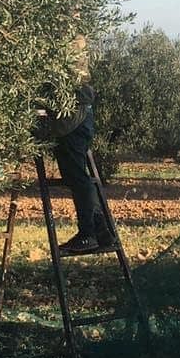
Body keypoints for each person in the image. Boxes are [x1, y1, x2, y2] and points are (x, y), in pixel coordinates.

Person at [37, 38, 112, 256]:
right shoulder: (73, 36)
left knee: (78, 177)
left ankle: (88, 234)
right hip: (77, 114)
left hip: (73, 116)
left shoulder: (66, 37)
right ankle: (101, 231)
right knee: (76, 175)